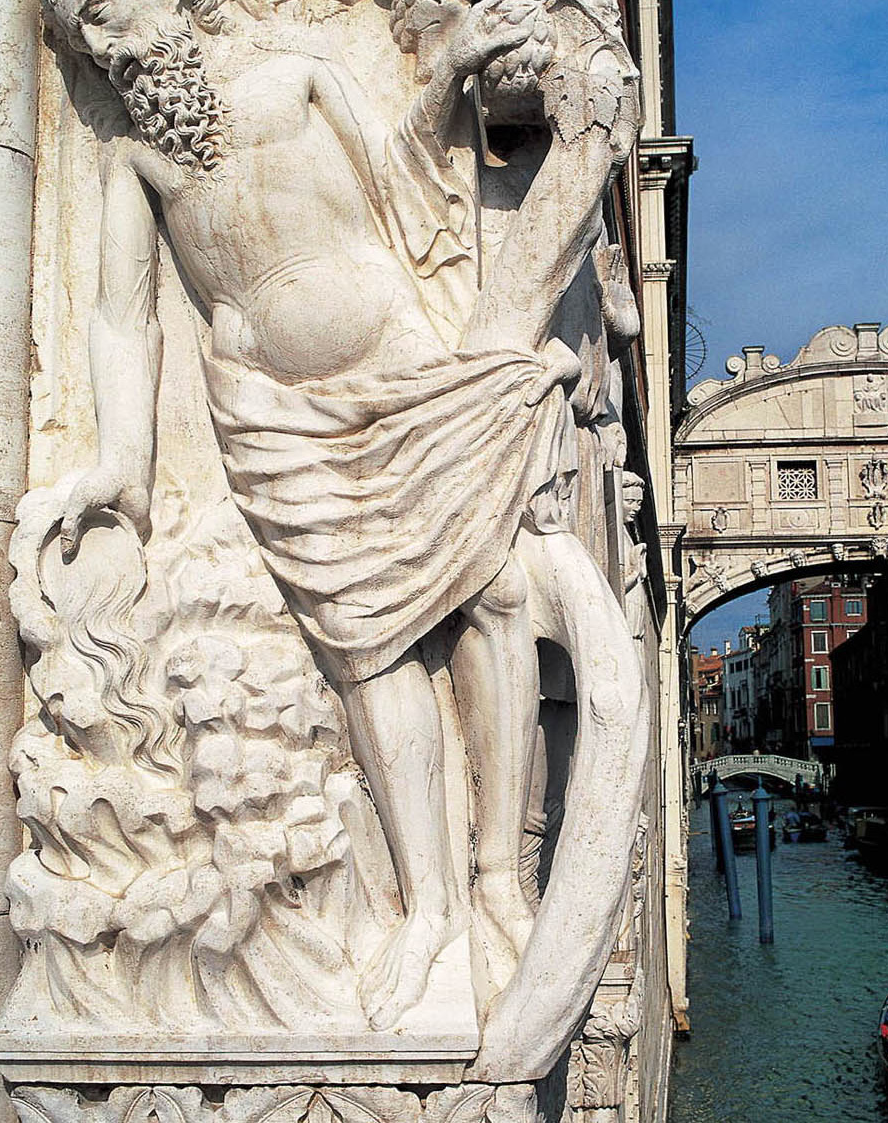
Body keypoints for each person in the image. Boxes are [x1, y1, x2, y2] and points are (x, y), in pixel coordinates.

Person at [42, 0, 648, 1074]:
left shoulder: (294, 71)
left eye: (114, 12)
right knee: (369, 654)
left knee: (493, 594)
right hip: (273, 420)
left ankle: (498, 881)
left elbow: (410, 175)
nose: (110, 41)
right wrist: (121, 468)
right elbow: (117, 316)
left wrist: (452, 66)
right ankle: (427, 911)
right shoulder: (136, 161)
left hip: (400, 370)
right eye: (88, 33)